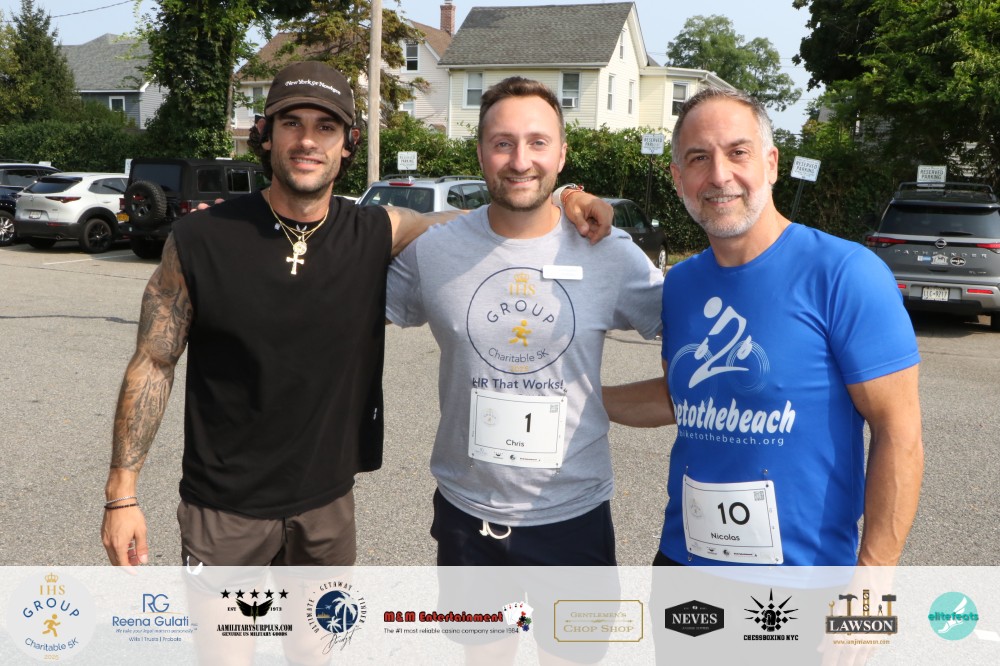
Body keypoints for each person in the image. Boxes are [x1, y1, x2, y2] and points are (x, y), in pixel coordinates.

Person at [99, 60, 613, 571]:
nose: (308, 141)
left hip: (327, 507)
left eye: (326, 127)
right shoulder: (201, 239)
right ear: (265, 135)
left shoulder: (376, 231)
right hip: (222, 510)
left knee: (320, 629)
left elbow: (495, 217)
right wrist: (122, 495)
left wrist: (565, 194)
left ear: (348, 143)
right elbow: (153, 363)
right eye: (291, 123)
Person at [386, 76, 663, 662]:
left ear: (562, 155)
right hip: (468, 515)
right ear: (480, 152)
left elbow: (692, 337)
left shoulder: (609, 251)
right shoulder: (434, 252)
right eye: (503, 143)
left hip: (574, 516)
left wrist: (610, 401)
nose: (520, 160)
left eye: (538, 143)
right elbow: (343, 295)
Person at [604, 87, 924, 570]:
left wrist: (873, 580)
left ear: (771, 164)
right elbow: (681, 395)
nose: (719, 175)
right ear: (677, 178)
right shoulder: (682, 284)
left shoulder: (845, 273)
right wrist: (584, 399)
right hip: (684, 563)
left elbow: (899, 431)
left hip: (804, 577)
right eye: (698, 158)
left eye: (738, 153)